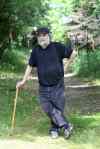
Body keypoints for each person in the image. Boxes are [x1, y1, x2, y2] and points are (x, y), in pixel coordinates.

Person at [16, 27, 76, 139]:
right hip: (43, 86)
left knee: (58, 108)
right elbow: (30, 66)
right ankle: (66, 126)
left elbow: (73, 53)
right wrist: (23, 81)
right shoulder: (35, 50)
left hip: (57, 84)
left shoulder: (57, 47)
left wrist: (66, 66)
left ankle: (55, 129)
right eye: (39, 35)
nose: (42, 37)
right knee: (47, 107)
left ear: (49, 36)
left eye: (44, 35)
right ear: (37, 37)